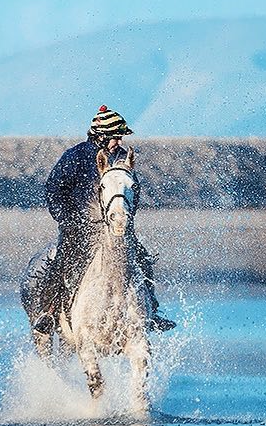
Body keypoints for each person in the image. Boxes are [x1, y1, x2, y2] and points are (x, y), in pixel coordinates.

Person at [33, 105, 176, 334]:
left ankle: (152, 311)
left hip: (115, 226)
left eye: (119, 137)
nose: (118, 142)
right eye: (114, 137)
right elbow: (54, 189)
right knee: (62, 260)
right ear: (100, 137)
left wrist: (125, 214)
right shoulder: (75, 156)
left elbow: (133, 190)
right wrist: (68, 218)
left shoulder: (121, 158)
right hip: (79, 226)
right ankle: (48, 312)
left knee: (142, 257)